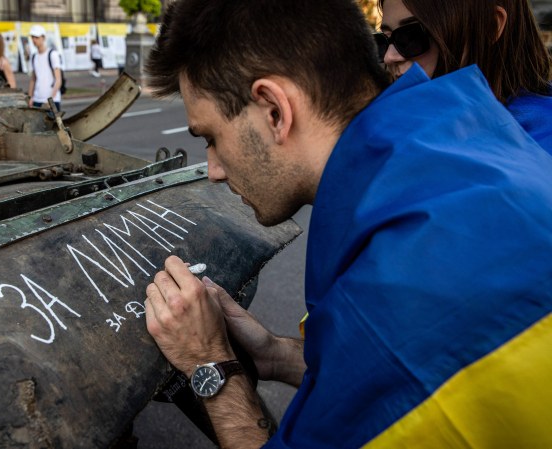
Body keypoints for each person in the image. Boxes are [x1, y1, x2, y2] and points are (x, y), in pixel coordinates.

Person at [142, 0, 552, 448]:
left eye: (211, 138)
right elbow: (381, 381)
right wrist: (274, 354)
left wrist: (210, 364)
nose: (214, 168)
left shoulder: (395, 282)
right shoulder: (462, 148)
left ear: (274, 110)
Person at [376, 0, 552, 153]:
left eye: (410, 36)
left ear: (489, 27)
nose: (389, 57)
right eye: (384, 39)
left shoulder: (539, 140)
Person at [27, 25, 63, 112]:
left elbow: (58, 80)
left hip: (51, 101)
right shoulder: (34, 56)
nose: (34, 40)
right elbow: (33, 79)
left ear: (43, 38)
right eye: (32, 37)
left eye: (36, 37)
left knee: (53, 125)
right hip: (37, 99)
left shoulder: (52, 54)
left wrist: (50, 100)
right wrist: (30, 97)